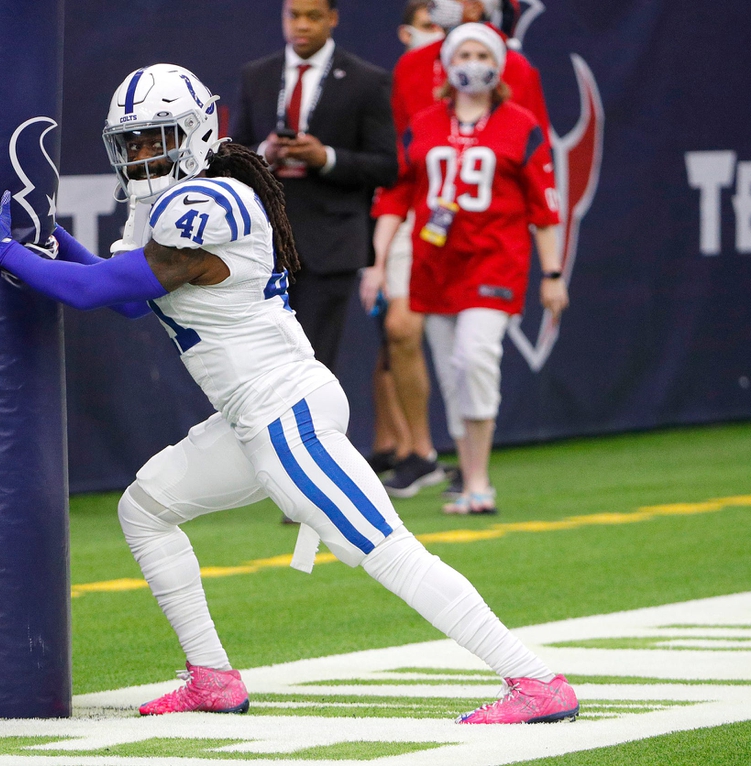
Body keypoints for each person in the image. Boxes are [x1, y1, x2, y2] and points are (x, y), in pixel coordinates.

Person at [0, 63, 577, 725]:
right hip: (252, 417)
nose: (141, 154)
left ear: (195, 132)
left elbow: (101, 291)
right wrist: (52, 241)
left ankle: (533, 680)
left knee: (387, 548)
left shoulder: (212, 202)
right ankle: (211, 677)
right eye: (130, 142)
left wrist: (6, 251)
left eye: (155, 137)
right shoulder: (161, 204)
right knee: (145, 508)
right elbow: (127, 297)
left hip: (285, 414)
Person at [371, 25, 568, 515]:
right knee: (451, 370)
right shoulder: (425, 122)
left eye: (483, 53)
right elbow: (398, 194)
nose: (473, 61)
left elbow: (544, 208)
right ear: (447, 62)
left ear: (499, 64)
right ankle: (469, 475)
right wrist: (377, 262)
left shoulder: (520, 125)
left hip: (495, 261)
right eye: (465, 52)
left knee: (474, 357)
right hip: (434, 264)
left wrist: (553, 273)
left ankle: (479, 480)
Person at [231, 0, 397, 372]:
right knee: (263, 365)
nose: (301, 25)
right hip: (265, 246)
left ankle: (316, 432)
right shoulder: (256, 75)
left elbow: (386, 166)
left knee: (314, 365)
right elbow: (231, 154)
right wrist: (264, 153)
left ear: (333, 19)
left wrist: (326, 158)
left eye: (313, 16)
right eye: (294, 15)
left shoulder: (367, 81)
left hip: (331, 244)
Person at [364, 0, 445, 478]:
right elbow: (392, 162)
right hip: (397, 216)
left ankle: (426, 451)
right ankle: (406, 447)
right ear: (404, 33)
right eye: (425, 25)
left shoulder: (473, 79)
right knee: (394, 332)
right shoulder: (394, 84)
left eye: (441, 25)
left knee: (450, 344)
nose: (435, 34)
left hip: (455, 221)